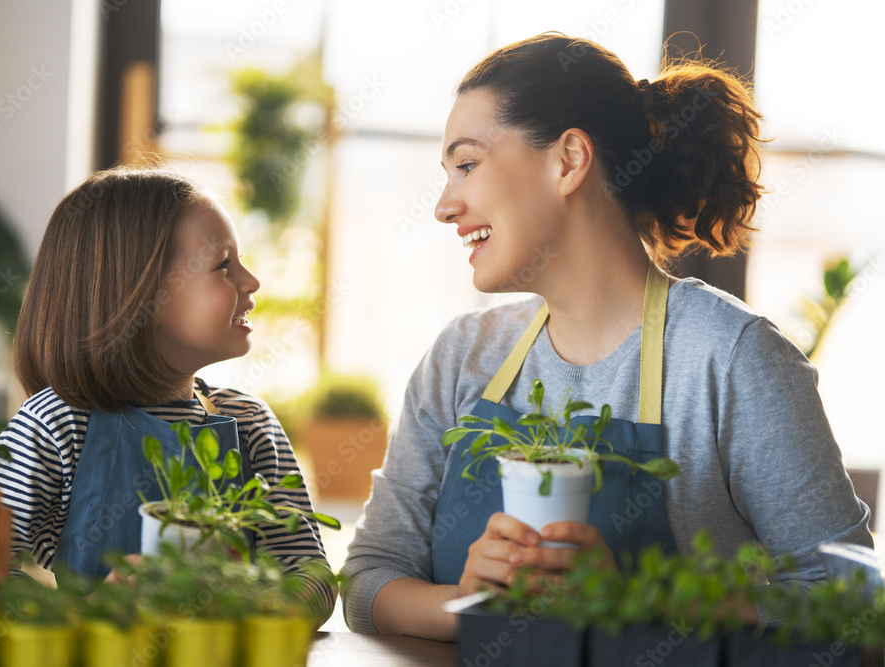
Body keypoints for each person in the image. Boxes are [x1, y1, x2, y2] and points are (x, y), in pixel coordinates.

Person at [341, 32, 872, 640]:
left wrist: (635, 605)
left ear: (568, 160)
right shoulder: (462, 358)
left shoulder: (729, 360)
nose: (444, 205)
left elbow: (853, 602)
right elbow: (367, 580)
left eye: (467, 165)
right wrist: (466, 603)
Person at [0, 167, 335, 622]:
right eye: (224, 265)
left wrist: (251, 605)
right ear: (141, 296)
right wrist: (87, 612)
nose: (251, 281)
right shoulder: (56, 423)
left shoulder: (250, 422)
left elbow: (312, 576)